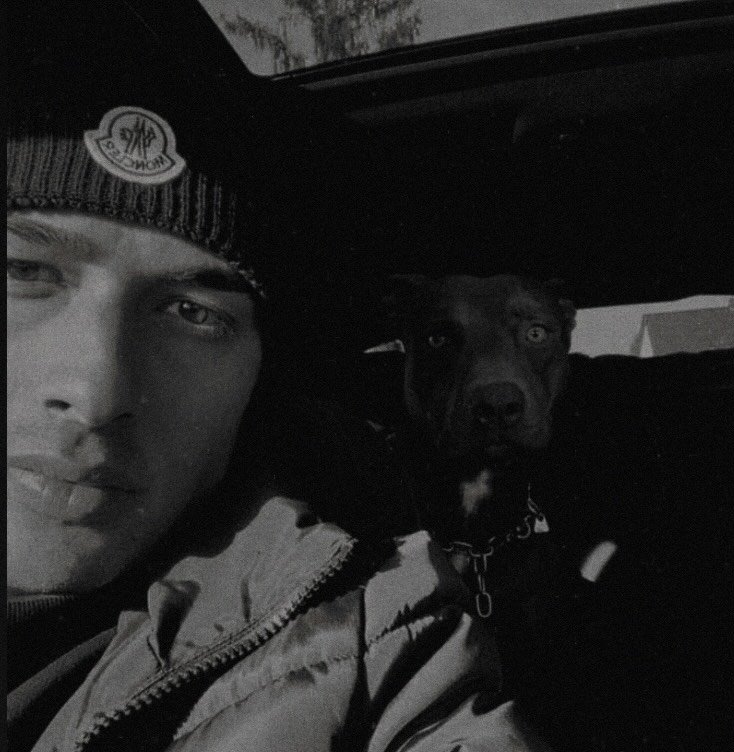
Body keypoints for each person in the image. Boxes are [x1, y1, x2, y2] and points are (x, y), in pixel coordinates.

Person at [6, 3, 548, 751]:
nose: (96, 394)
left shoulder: (375, 644)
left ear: (256, 381)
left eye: (194, 313)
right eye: (23, 272)